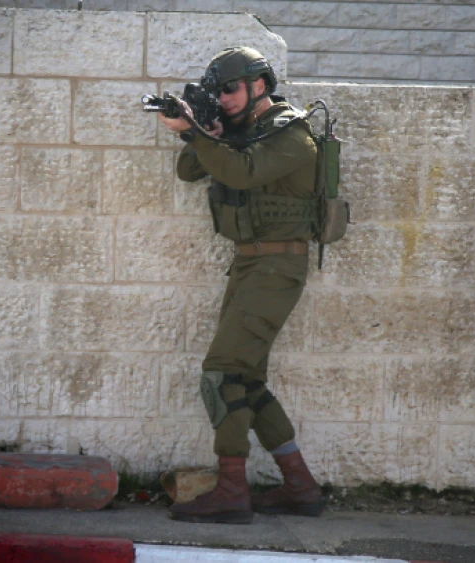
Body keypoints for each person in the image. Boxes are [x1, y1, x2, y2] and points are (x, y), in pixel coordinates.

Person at [158, 46, 323, 524]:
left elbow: (241, 172)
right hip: (250, 267)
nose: (223, 98)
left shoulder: (293, 134)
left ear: (259, 85)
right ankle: (300, 487)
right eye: (218, 92)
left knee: (222, 372)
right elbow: (190, 170)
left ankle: (231, 490)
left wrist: (197, 133)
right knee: (246, 381)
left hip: (276, 269)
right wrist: (209, 131)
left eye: (229, 89)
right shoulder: (241, 133)